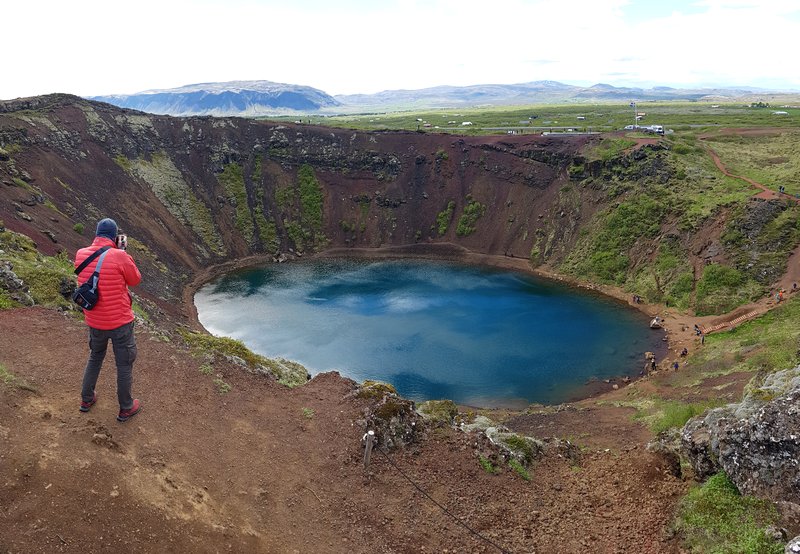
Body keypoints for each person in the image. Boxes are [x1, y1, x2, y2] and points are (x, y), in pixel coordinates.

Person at [75, 218, 142, 422]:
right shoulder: (119, 256)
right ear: (115, 237)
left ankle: (86, 399)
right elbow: (135, 280)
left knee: (95, 357)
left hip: (94, 320)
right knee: (123, 364)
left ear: (96, 234)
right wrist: (123, 252)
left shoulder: (80, 254)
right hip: (120, 322)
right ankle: (126, 407)